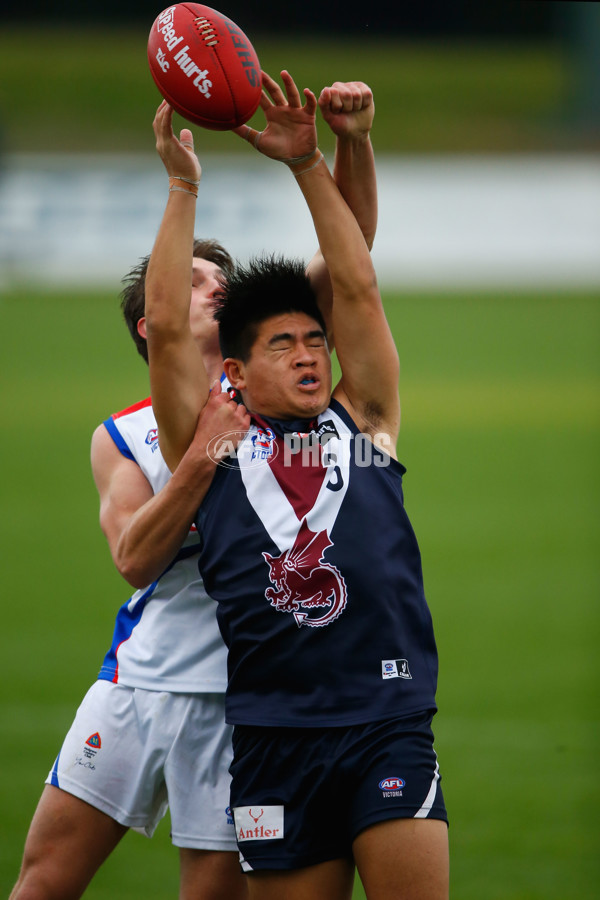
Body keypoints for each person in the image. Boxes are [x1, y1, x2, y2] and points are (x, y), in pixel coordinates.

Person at [9, 79, 378, 900]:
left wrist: (348, 144)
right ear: (152, 323)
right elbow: (136, 560)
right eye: (203, 280)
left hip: (240, 699)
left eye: (224, 279)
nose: (221, 287)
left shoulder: (288, 400)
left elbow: (348, 266)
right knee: (42, 880)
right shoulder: (127, 434)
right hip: (137, 684)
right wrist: (201, 463)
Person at [146, 71, 449, 900]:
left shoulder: (366, 421)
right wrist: (183, 185)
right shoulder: (209, 446)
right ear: (238, 370)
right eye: (285, 345)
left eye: (317, 340)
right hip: (274, 735)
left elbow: (355, 283)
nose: (312, 354)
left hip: (386, 722)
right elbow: (169, 325)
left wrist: (314, 160)